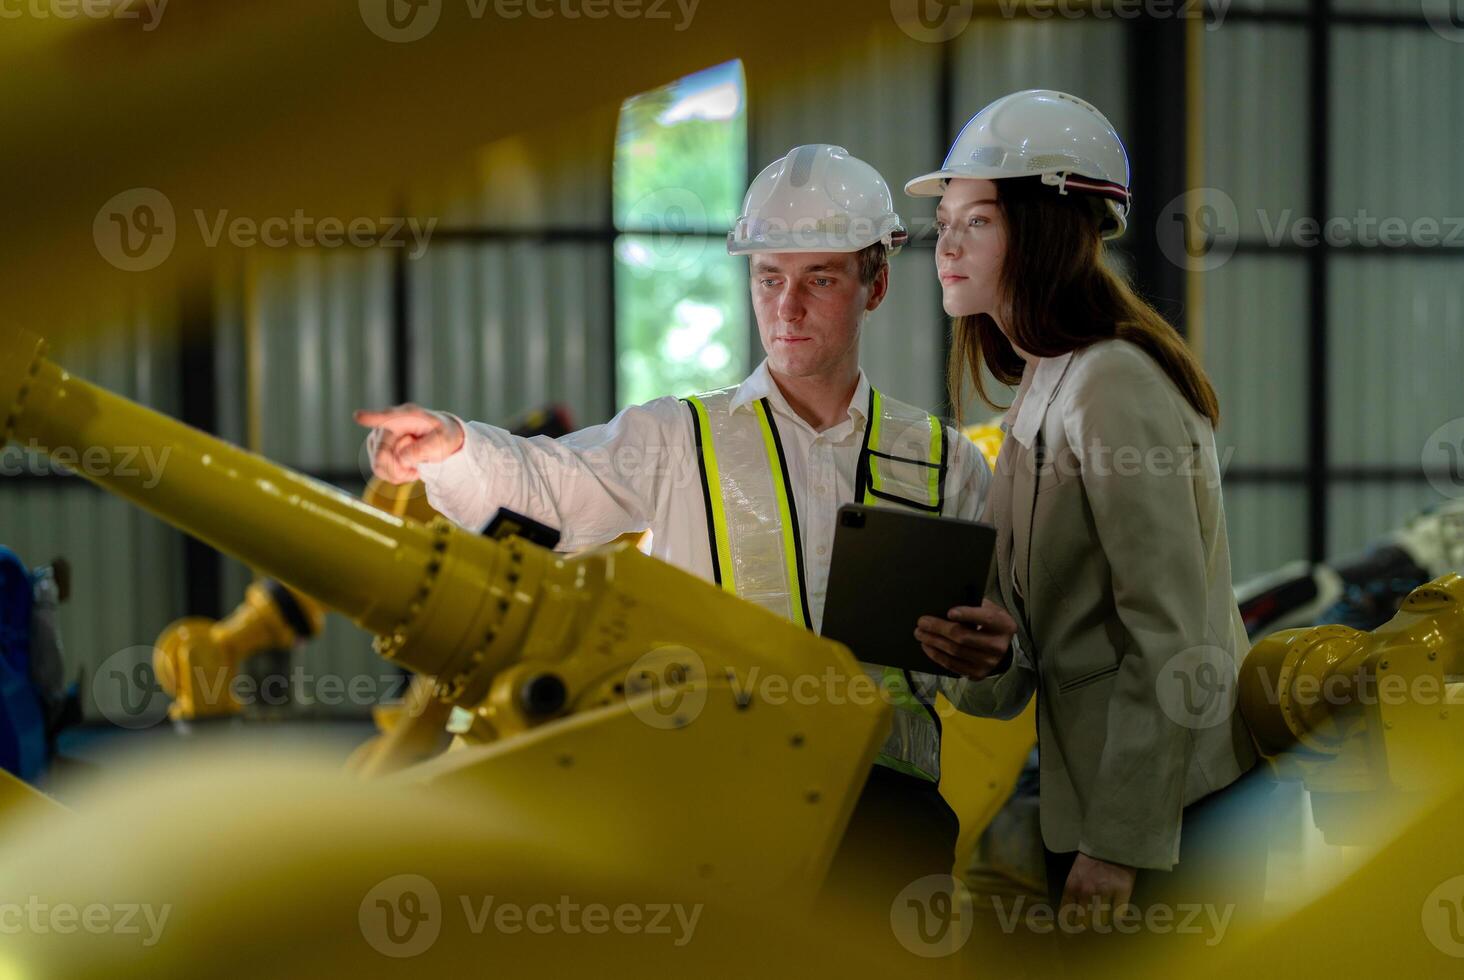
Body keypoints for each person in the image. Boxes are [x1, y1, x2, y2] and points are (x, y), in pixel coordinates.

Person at [356, 144, 1019, 896]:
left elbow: (998, 686)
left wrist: (994, 661)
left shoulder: (948, 463)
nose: (786, 306)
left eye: (819, 279)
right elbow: (549, 486)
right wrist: (453, 446)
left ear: (876, 285)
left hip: (889, 831)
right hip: (718, 811)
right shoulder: (678, 438)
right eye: (768, 279)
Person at [907, 90, 1269, 925]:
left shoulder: (1112, 382)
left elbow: (1168, 635)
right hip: (1102, 804)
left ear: (1044, 227)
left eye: (978, 221)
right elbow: (1041, 640)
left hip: (1172, 818)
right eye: (945, 223)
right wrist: (985, 653)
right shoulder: (1043, 383)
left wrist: (1118, 845)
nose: (947, 245)